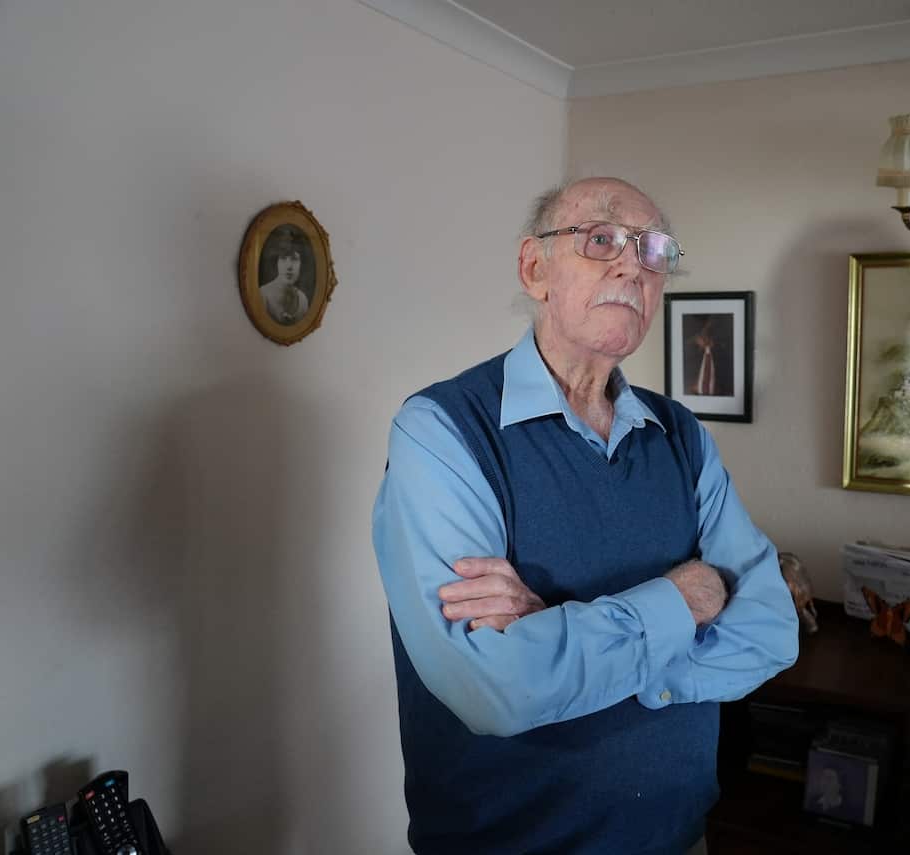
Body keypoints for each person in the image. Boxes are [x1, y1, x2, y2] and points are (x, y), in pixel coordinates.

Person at [372, 177, 799, 855]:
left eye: (654, 248)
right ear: (534, 268)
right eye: (601, 239)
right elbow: (496, 689)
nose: (633, 263)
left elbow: (774, 633)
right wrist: (685, 601)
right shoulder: (441, 431)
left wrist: (560, 638)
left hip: (681, 840)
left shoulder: (680, 435)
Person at [259, 225, 310, 325]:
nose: (289, 266)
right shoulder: (263, 295)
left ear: (301, 264)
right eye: (283, 259)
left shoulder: (303, 300)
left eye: (294, 259)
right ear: (276, 263)